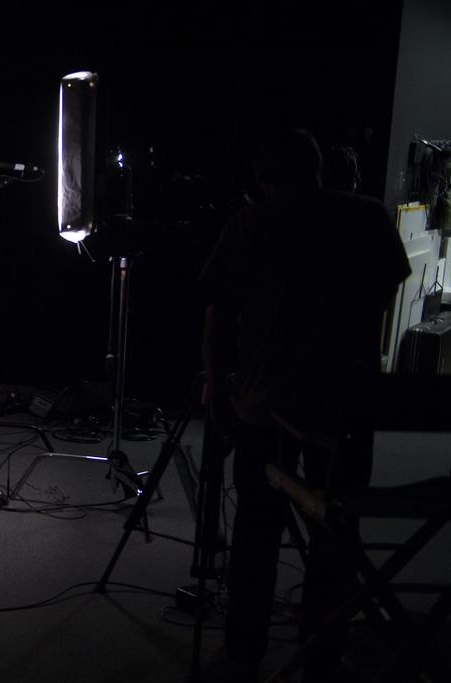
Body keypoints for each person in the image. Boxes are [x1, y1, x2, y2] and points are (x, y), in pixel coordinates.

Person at [199, 129, 409, 681]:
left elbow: (219, 314)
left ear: (264, 178)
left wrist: (216, 386)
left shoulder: (250, 224)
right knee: (336, 529)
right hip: (345, 403)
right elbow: (386, 295)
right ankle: (323, 646)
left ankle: (245, 644)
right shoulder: (368, 219)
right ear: (320, 169)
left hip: (265, 404)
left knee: (255, 529)